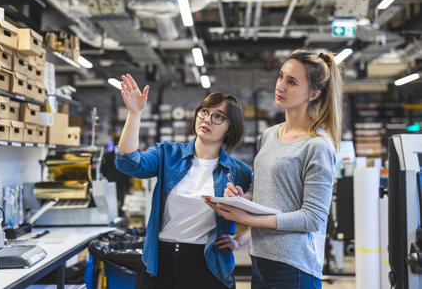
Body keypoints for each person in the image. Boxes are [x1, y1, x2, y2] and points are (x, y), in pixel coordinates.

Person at [207, 48, 343, 288]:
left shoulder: (318, 145)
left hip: (294, 267)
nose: (280, 86)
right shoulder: (270, 135)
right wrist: (241, 197)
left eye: (291, 82)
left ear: (313, 94)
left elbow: (313, 218)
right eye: (281, 76)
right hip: (260, 259)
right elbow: (262, 193)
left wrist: (249, 218)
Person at [114, 74, 252, 289]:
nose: (207, 119)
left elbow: (265, 210)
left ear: (230, 128)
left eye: (218, 117)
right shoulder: (168, 154)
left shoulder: (239, 172)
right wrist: (135, 113)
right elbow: (129, 164)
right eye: (204, 112)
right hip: (161, 262)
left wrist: (241, 240)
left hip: (209, 265)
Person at [100, 139, 132, 217]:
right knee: (121, 198)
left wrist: (108, 177)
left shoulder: (108, 156)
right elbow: (129, 170)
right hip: (122, 182)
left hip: (111, 181)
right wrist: (128, 180)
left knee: (112, 199)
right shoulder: (125, 156)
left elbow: (103, 169)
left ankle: (114, 213)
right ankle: (120, 212)